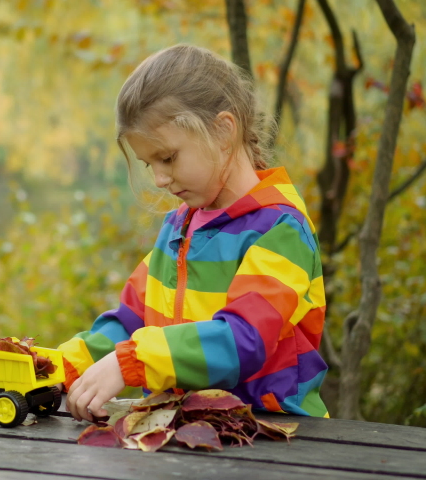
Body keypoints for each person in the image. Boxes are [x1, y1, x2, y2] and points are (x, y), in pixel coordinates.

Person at [57, 44, 329, 422]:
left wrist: (132, 363)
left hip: (271, 435)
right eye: (149, 163)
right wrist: (55, 367)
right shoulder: (177, 228)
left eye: (167, 158)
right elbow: (129, 321)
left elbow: (242, 340)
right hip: (185, 432)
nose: (160, 179)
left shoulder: (281, 230)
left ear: (222, 131)